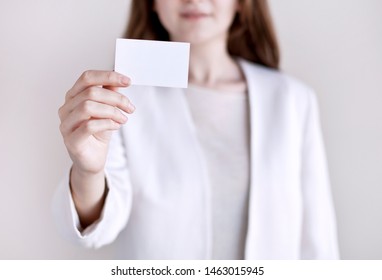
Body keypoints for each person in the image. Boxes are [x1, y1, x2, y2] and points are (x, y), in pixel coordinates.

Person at [53, 0, 339, 259]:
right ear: (151, 3)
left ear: (241, 4)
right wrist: (88, 171)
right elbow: (101, 227)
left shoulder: (292, 100)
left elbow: (317, 239)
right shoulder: (121, 99)